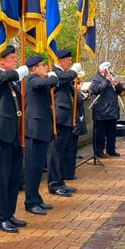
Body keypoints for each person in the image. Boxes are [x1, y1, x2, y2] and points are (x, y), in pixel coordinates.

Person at [0, 45, 29, 233]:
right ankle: (0, 217)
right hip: (2, 133)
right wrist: (18, 72)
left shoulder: (12, 81)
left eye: (15, 57)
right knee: (3, 178)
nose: (15, 60)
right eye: (12, 58)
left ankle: (10, 214)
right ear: (2, 61)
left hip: (15, 133)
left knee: (14, 177)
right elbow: (3, 77)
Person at [23, 55, 59, 215]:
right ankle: (30, 201)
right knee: (32, 167)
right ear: (34, 69)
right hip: (34, 131)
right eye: (43, 65)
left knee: (38, 168)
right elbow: (48, 83)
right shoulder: (31, 80)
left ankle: (36, 197)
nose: (47, 68)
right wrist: (53, 76)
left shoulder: (37, 79)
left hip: (41, 130)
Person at [47, 49, 82, 196]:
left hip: (67, 119)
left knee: (61, 153)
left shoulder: (65, 75)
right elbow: (63, 78)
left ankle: (60, 181)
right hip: (59, 119)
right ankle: (54, 184)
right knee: (55, 154)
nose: (70, 63)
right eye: (68, 60)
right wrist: (74, 72)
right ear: (60, 61)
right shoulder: (54, 72)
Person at [89, 61, 125, 158]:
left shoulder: (112, 76)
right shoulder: (95, 78)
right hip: (100, 111)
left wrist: (117, 85)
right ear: (101, 69)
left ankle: (111, 149)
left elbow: (119, 91)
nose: (107, 71)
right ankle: (98, 151)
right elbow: (97, 90)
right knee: (100, 133)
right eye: (105, 69)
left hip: (112, 110)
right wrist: (106, 80)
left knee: (111, 132)